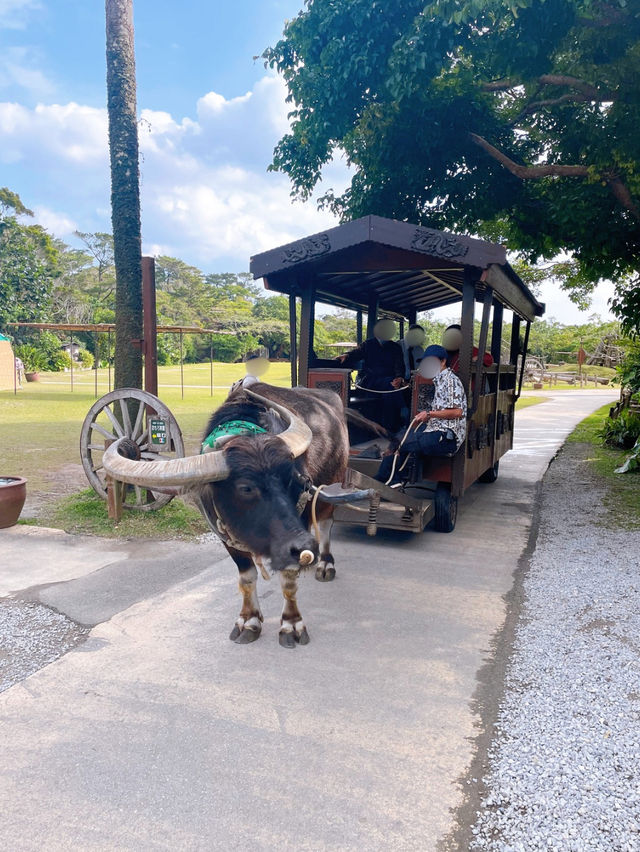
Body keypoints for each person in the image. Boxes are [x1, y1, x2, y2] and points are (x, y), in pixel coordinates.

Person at [375, 344, 467, 484]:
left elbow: (457, 412)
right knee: (399, 438)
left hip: (446, 437)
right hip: (436, 430)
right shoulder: (440, 380)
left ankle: (390, 482)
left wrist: (429, 414)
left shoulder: (450, 381)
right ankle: (385, 479)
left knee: (402, 442)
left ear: (442, 361)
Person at [337, 319, 406, 430]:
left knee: (392, 390)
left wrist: (399, 377)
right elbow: (356, 353)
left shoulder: (395, 347)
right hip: (370, 381)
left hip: (388, 381)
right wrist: (346, 355)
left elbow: (399, 365)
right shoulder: (368, 344)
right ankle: (397, 420)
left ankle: (388, 426)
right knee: (391, 388)